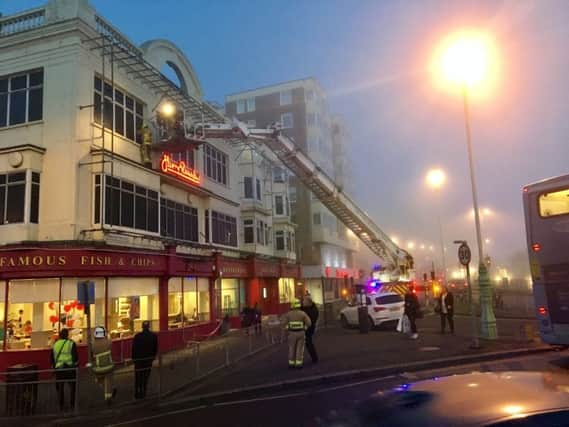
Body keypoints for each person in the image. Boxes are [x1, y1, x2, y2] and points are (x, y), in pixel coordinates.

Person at [50, 328, 78, 411]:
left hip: (59, 369)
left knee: (60, 387)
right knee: (72, 387)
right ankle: (72, 404)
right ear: (67, 335)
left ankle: (61, 404)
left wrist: (54, 366)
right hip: (70, 368)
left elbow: (51, 357)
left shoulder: (55, 344)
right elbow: (75, 357)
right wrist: (75, 365)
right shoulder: (71, 343)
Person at [132, 320, 158, 399]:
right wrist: (152, 358)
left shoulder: (137, 336)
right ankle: (144, 391)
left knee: (138, 376)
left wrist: (134, 359)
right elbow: (155, 348)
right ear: (149, 327)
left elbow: (134, 349)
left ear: (142, 327)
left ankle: (137, 392)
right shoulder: (153, 336)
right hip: (148, 360)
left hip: (138, 360)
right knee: (145, 376)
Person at [282, 298, 311, 369]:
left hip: (292, 333)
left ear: (292, 305)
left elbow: (283, 324)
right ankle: (298, 364)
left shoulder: (288, 314)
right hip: (301, 333)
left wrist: (287, 328)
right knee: (299, 349)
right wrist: (305, 328)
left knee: (292, 348)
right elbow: (309, 323)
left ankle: (291, 364)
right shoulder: (302, 314)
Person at [91, 326, 116, 403]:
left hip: (98, 368)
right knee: (108, 380)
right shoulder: (108, 342)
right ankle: (109, 395)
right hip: (109, 366)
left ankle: (108, 392)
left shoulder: (93, 345)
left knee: (99, 380)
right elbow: (110, 342)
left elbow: (91, 356)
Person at [301, 295, 319, 364]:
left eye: (304, 301)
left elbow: (310, 319)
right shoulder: (311, 308)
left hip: (309, 328)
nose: (303, 302)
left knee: (308, 343)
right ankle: (314, 358)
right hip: (309, 328)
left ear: (308, 302)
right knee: (308, 343)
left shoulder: (311, 310)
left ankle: (314, 358)